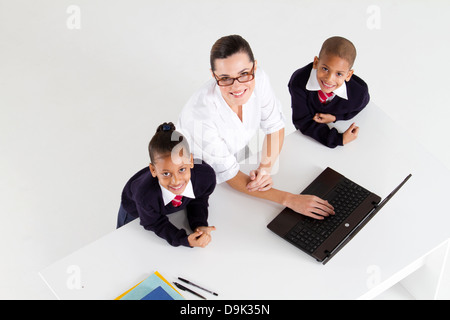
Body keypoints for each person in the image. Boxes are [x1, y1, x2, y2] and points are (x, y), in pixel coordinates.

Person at [178, 35, 334, 220]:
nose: (237, 86)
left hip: (236, 152)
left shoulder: (259, 78)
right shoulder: (199, 116)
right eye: (225, 78)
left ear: (255, 66)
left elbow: (275, 125)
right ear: (214, 75)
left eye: (244, 74)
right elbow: (229, 175)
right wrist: (290, 199)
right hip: (200, 169)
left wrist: (265, 169)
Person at [117, 122, 216, 248]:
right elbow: (154, 222)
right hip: (136, 208)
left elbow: (198, 199)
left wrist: (199, 225)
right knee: (124, 241)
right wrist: (183, 240)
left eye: (182, 169)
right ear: (153, 170)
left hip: (162, 205)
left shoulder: (205, 177)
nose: (176, 181)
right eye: (166, 173)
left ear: (191, 161)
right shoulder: (144, 196)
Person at [288, 36, 370, 148]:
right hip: (307, 137)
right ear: (316, 63)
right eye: (325, 69)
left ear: (348, 75)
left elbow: (361, 105)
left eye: (339, 74)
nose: (329, 79)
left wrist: (335, 117)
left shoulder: (359, 93)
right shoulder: (299, 82)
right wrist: (339, 139)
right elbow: (302, 121)